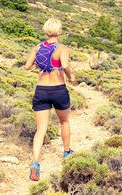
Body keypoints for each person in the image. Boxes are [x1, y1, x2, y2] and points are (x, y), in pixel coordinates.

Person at [24, 18, 75, 181]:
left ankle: (35, 164)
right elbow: (65, 65)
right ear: (59, 31)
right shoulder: (62, 48)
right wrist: (70, 76)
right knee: (64, 122)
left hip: (41, 90)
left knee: (41, 129)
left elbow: (27, 67)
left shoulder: (38, 47)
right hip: (58, 89)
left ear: (46, 31)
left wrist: (40, 66)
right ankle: (67, 153)